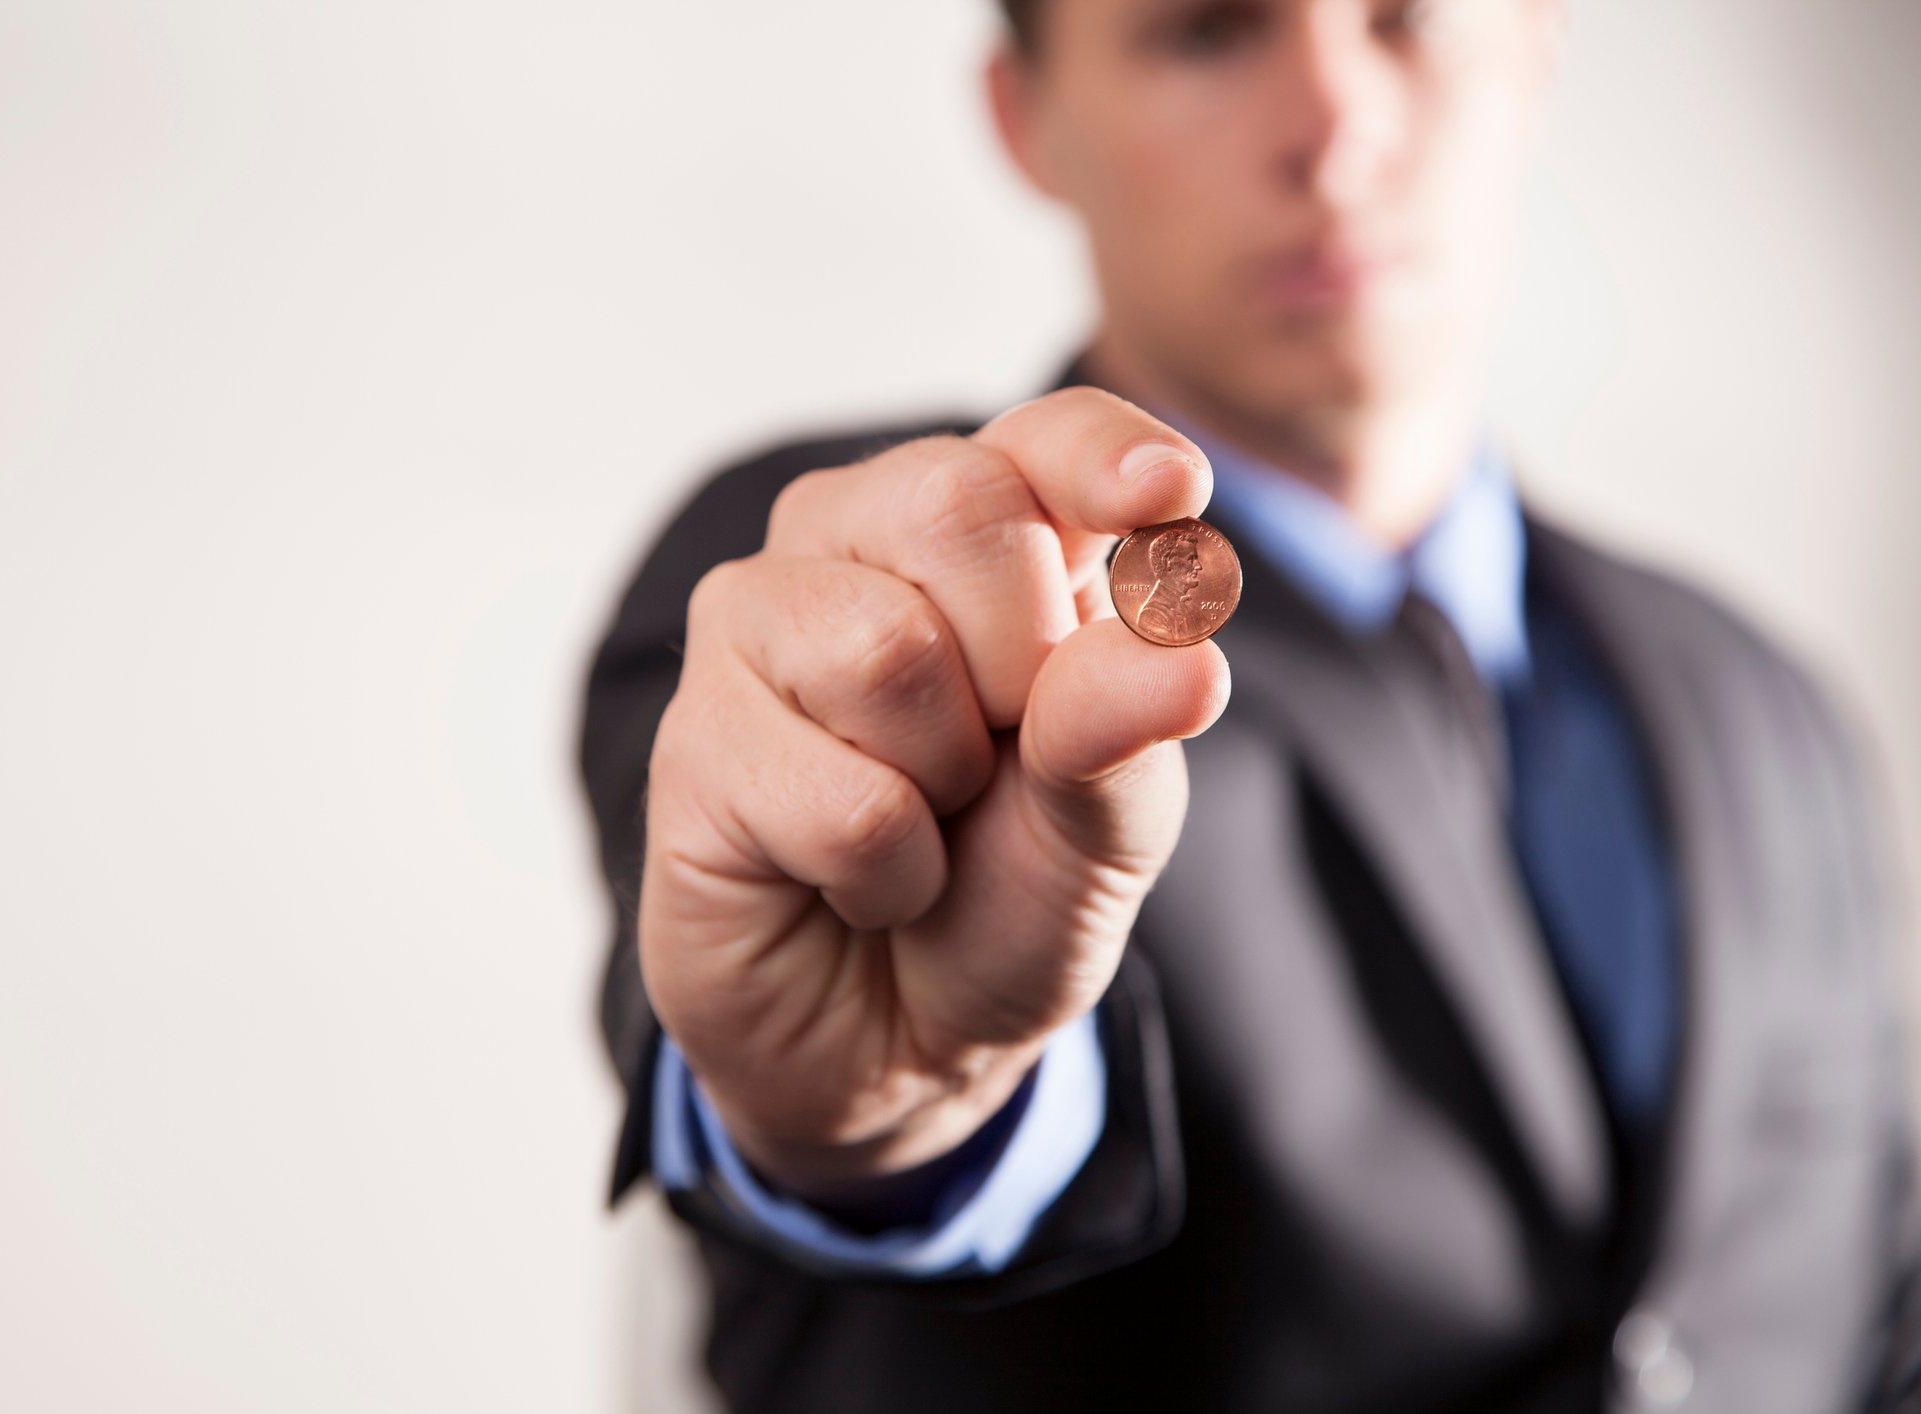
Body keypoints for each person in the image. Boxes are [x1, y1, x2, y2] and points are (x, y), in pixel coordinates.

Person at [578, 0, 1920, 1408]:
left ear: (1534, 52)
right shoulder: (853, 605)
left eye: (1408, 22)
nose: (1335, 127)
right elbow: (850, 1149)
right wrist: (885, 1118)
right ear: (1027, 124)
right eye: (1206, 32)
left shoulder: (1777, 710)